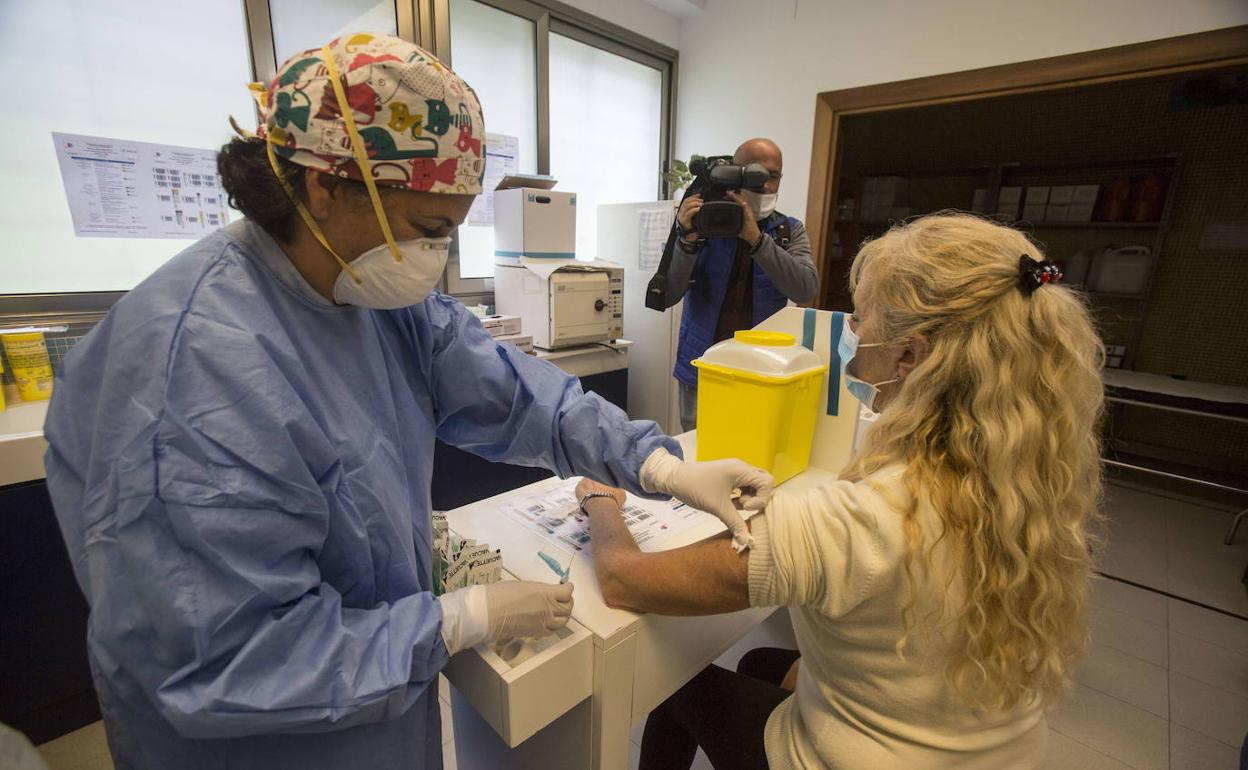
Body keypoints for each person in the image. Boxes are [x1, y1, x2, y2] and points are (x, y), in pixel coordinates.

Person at [42, 35, 771, 770]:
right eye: (429, 231)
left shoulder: (371, 292)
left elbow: (523, 397)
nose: (438, 259)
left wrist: (658, 465)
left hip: (376, 710)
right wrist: (455, 621)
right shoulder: (193, 378)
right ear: (324, 186)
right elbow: (226, 663)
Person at [577, 213, 1106, 769]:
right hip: (995, 755)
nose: (851, 339)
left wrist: (602, 503)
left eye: (861, 322)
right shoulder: (1027, 489)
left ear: (910, 355)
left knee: (677, 686)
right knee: (760, 662)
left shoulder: (859, 518)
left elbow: (623, 580)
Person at [661, 138, 818, 432]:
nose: (766, 186)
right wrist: (687, 240)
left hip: (761, 373)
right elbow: (668, 293)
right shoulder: (704, 224)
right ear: (734, 174)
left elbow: (806, 289)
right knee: (698, 454)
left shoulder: (788, 230)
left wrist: (756, 239)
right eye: (757, 175)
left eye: (774, 176)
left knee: (753, 457)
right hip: (701, 369)